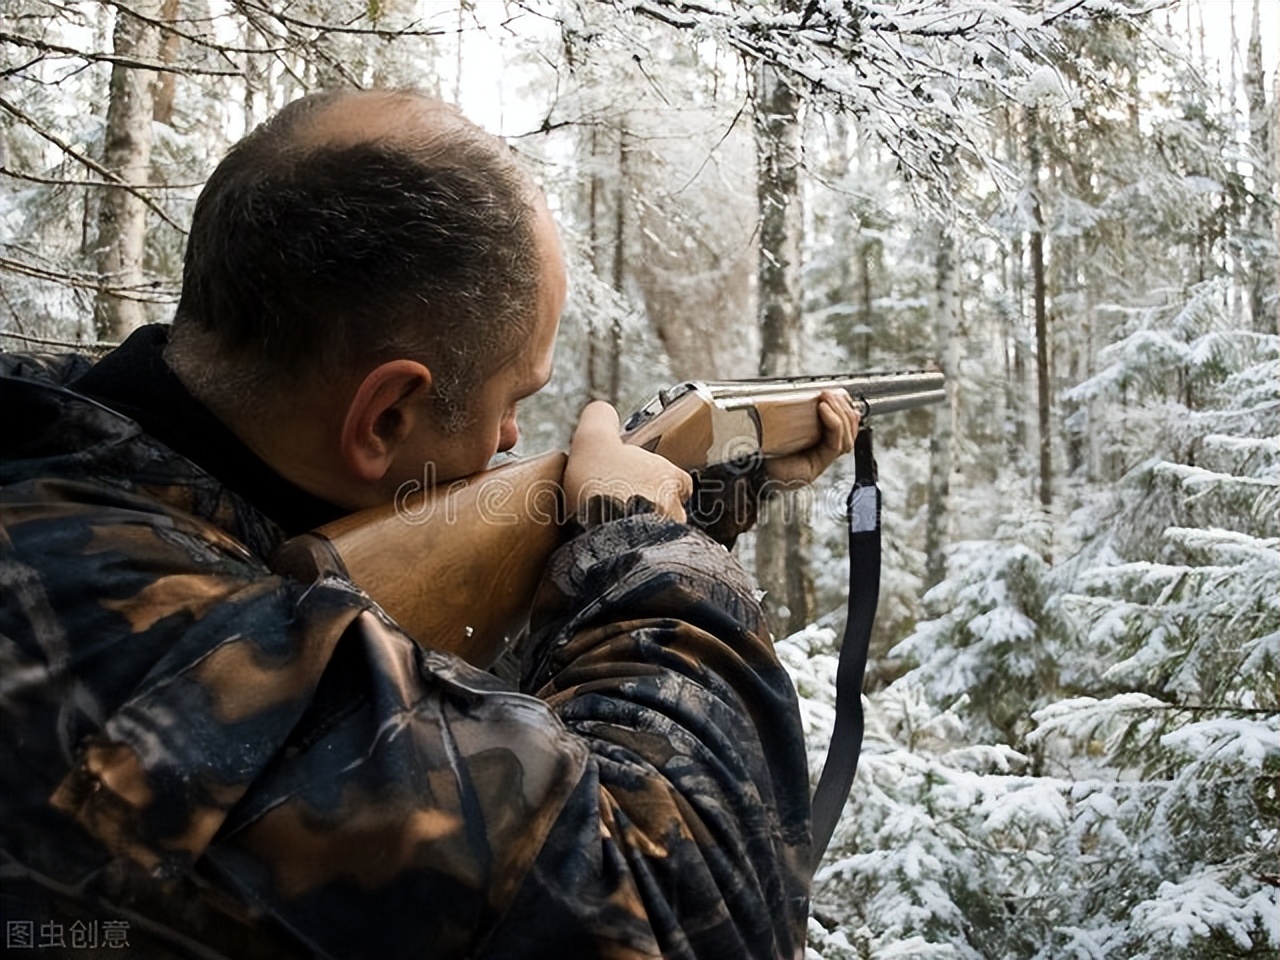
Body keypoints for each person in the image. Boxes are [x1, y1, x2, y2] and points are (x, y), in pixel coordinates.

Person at [0, 89, 859, 960]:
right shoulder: (177, 648)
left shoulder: (73, 468)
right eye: (513, 401)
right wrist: (637, 533)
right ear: (383, 418)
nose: (515, 441)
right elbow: (690, 907)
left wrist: (709, 496)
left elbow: (451, 707)